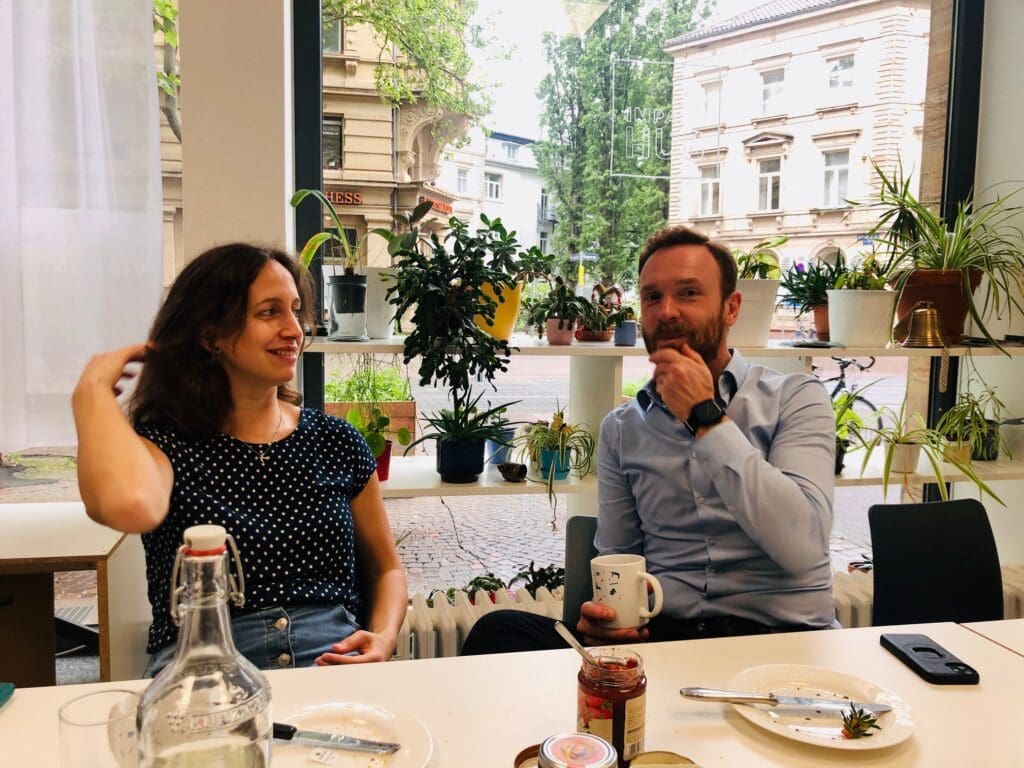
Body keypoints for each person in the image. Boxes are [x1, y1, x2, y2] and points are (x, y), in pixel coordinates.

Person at [461, 225, 835, 654]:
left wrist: (706, 418)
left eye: (689, 293)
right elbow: (620, 562)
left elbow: (804, 548)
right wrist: (608, 620)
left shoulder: (795, 399)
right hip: (665, 639)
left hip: (782, 640)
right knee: (498, 631)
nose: (667, 311)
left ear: (731, 309)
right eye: (653, 297)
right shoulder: (623, 428)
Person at [72, 243, 408, 674]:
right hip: (203, 670)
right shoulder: (167, 443)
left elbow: (386, 571)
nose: (294, 329)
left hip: (331, 660)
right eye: (269, 312)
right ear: (210, 335)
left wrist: (383, 637)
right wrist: (91, 396)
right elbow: (128, 505)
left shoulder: (335, 440)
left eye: (296, 310)